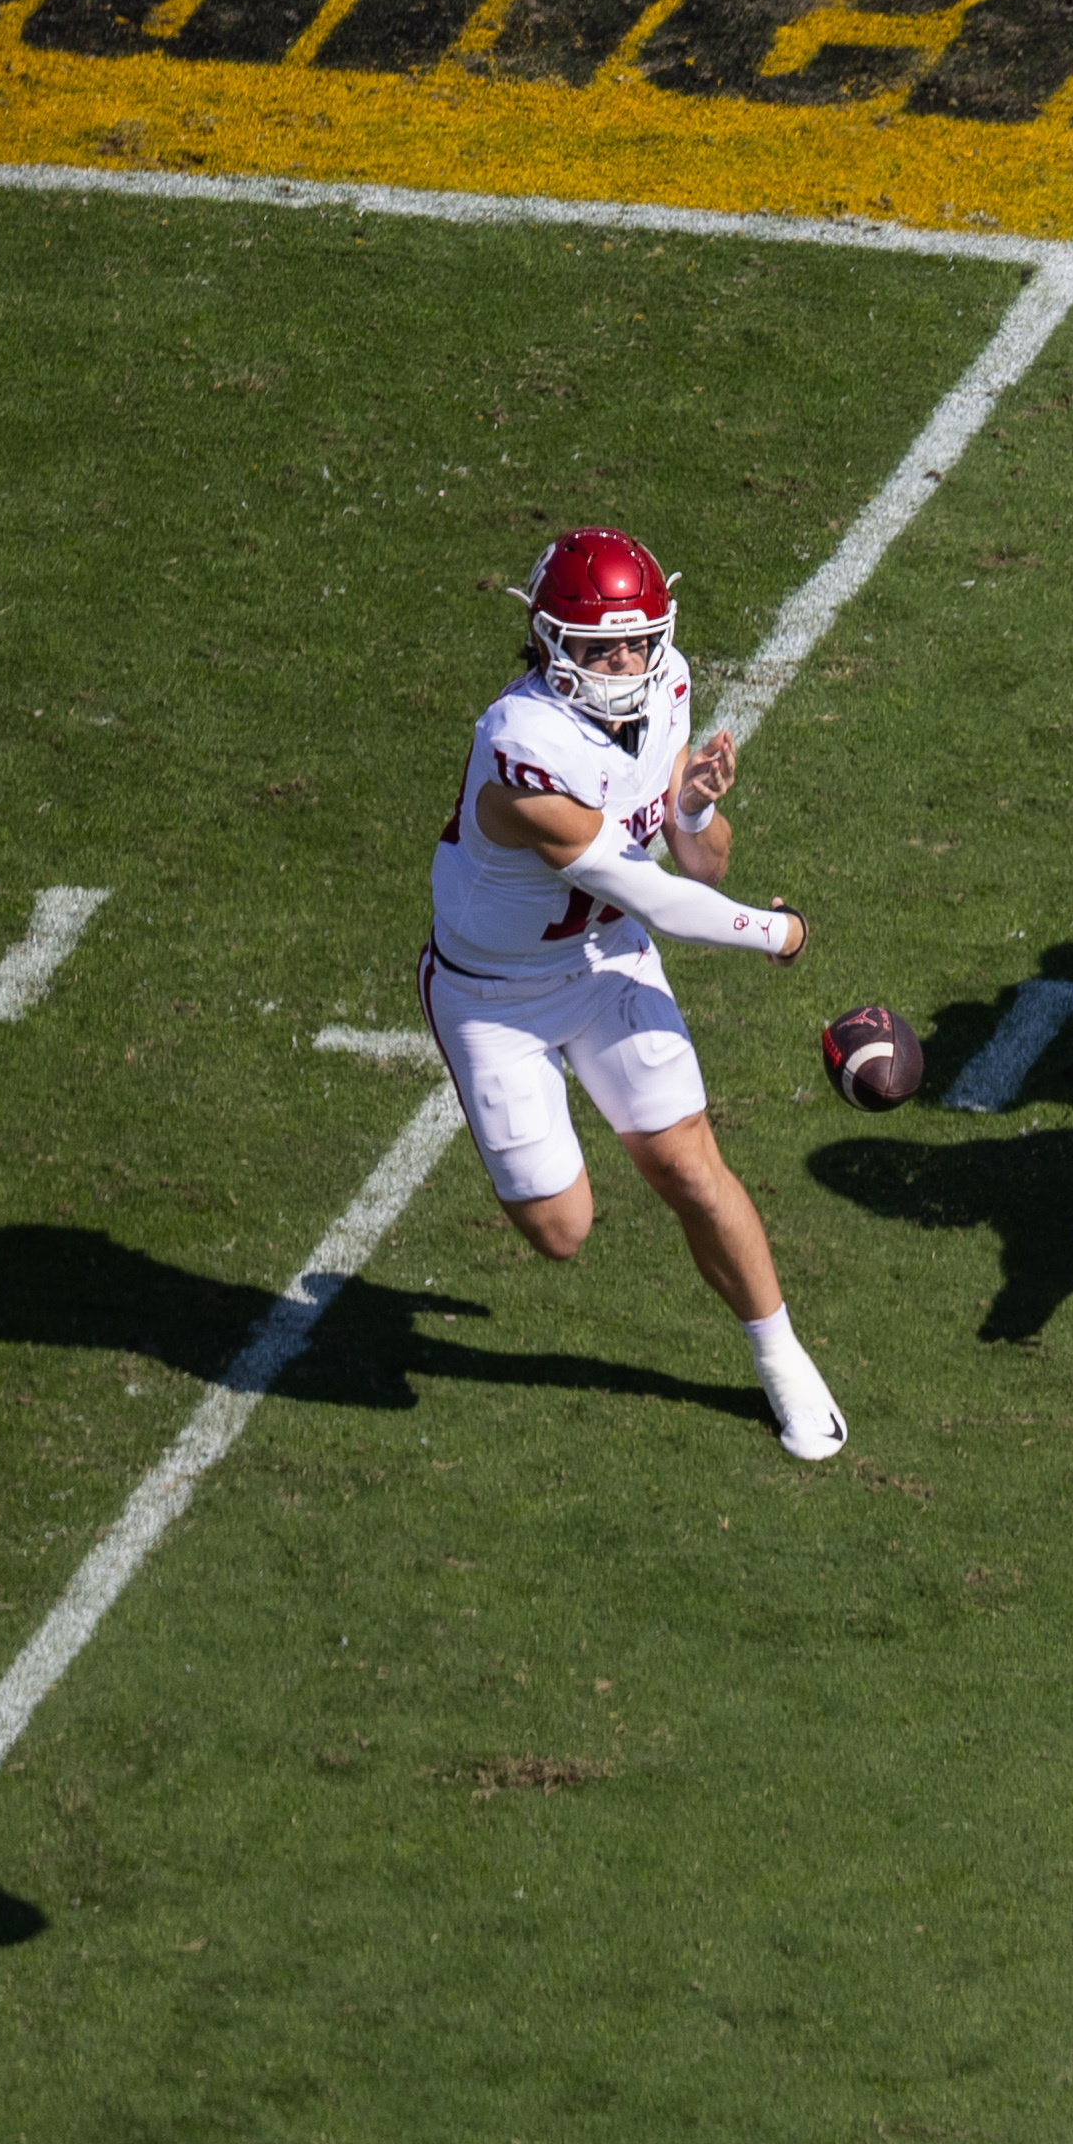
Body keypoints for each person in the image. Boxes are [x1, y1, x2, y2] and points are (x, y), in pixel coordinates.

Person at [421, 527, 844, 1460]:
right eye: (599, 645)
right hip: (496, 991)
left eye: (638, 639)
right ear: (547, 642)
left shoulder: (669, 682)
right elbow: (652, 890)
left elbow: (694, 858)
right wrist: (777, 931)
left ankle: (784, 1363)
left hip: (605, 956)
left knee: (691, 1166)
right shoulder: (520, 744)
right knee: (563, 1230)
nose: (626, 661)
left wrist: (691, 804)